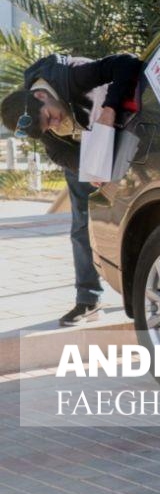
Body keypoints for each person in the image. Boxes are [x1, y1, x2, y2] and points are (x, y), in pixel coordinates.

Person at [1, 52, 143, 327]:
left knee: (136, 215)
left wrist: (110, 109)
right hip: (86, 154)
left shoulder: (72, 76)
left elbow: (127, 62)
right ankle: (88, 300)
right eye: (48, 127)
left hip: (125, 135)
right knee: (81, 227)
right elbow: (58, 153)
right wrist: (89, 170)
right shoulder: (43, 127)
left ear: (41, 96)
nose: (54, 125)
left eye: (50, 118)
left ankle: (145, 289)